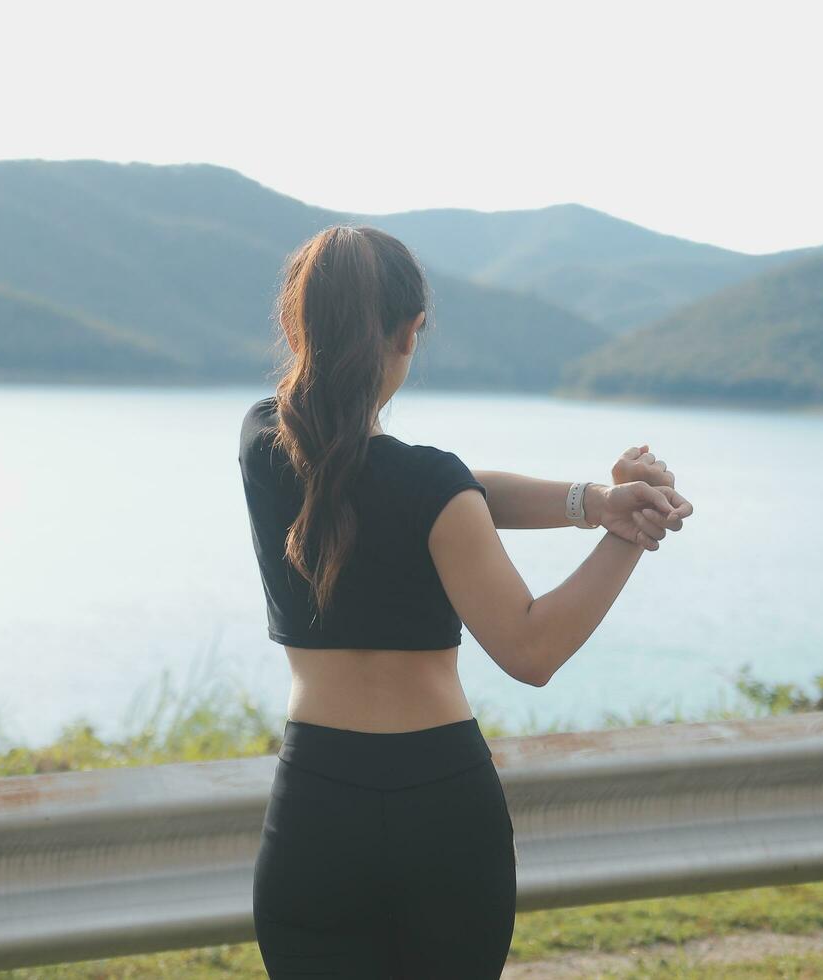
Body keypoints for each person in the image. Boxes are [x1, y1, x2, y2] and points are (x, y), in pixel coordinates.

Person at [239, 224, 692, 979]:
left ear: (295, 326)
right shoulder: (429, 487)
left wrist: (597, 501)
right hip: (440, 807)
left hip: (316, 800)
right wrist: (629, 533)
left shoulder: (263, 441)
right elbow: (531, 650)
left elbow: (441, 490)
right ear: (411, 332)